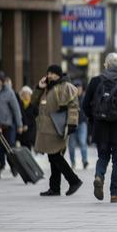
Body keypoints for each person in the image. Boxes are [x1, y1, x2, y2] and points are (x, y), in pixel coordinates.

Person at [83, 53, 117, 203]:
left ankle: (99, 176)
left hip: (100, 126)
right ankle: (114, 194)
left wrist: (93, 119)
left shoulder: (95, 82)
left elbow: (85, 105)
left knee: (103, 156)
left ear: (106, 65)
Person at [32, 65, 83, 197]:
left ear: (59, 75)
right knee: (52, 157)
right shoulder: (46, 88)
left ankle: (74, 180)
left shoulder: (66, 87)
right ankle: (54, 188)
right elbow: (33, 102)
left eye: (53, 73)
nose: (50, 76)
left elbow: (73, 106)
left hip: (57, 127)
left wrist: (72, 123)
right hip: (46, 128)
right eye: (49, 73)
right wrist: (39, 87)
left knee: (55, 156)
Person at [0, 71, 23, 179]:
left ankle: (14, 167)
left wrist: (19, 125)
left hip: (8, 125)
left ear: (1, 80)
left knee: (10, 148)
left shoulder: (9, 92)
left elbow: (16, 109)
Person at [68, 80, 88, 170]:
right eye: (76, 88)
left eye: (80, 88)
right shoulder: (70, 99)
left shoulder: (85, 98)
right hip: (72, 124)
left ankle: (85, 161)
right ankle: (73, 162)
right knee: (71, 145)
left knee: (83, 142)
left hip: (82, 123)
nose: (78, 90)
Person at [18, 86, 37, 150]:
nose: (25, 95)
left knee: (29, 144)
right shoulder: (19, 104)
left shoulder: (33, 104)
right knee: (22, 145)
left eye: (27, 93)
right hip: (22, 128)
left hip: (31, 128)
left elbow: (36, 115)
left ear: (30, 94)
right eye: (24, 93)